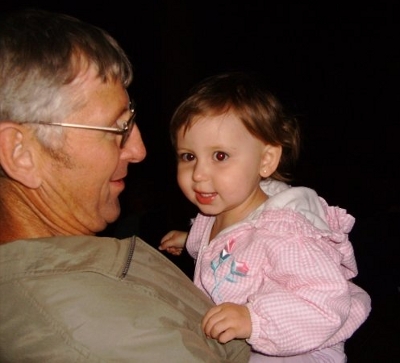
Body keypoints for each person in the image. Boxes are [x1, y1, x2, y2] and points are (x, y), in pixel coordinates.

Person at [0, 9, 251, 362]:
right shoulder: (102, 337)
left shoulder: (79, 258)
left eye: (130, 121)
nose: (138, 150)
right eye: (116, 129)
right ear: (21, 154)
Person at [159, 72, 371, 362]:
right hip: (247, 341)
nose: (198, 174)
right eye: (188, 156)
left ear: (266, 160)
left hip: (302, 347)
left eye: (220, 156)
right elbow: (225, 248)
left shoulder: (286, 233)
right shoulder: (221, 208)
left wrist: (253, 318)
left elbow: (326, 301)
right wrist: (190, 240)